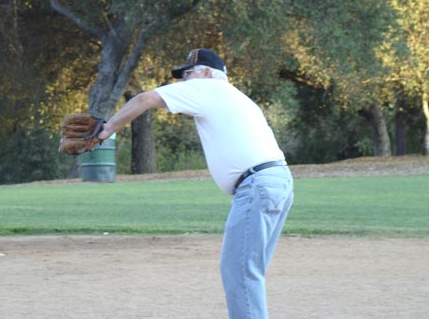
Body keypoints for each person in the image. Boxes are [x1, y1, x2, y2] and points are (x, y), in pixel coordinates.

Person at [97, 48, 294, 319]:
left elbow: (146, 98)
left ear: (207, 73)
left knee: (238, 271)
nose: (184, 81)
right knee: (248, 270)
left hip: (258, 185)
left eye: (188, 74)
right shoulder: (235, 96)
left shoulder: (208, 89)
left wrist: (108, 128)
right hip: (276, 181)